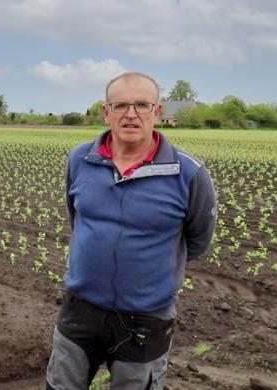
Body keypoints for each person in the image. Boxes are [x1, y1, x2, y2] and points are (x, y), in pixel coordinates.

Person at [45, 72, 217, 390]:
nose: (131, 114)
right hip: (80, 309)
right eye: (121, 105)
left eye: (141, 105)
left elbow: (197, 239)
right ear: (106, 112)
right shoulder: (80, 160)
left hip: (146, 317)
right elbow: (77, 219)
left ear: (158, 111)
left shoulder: (188, 173)